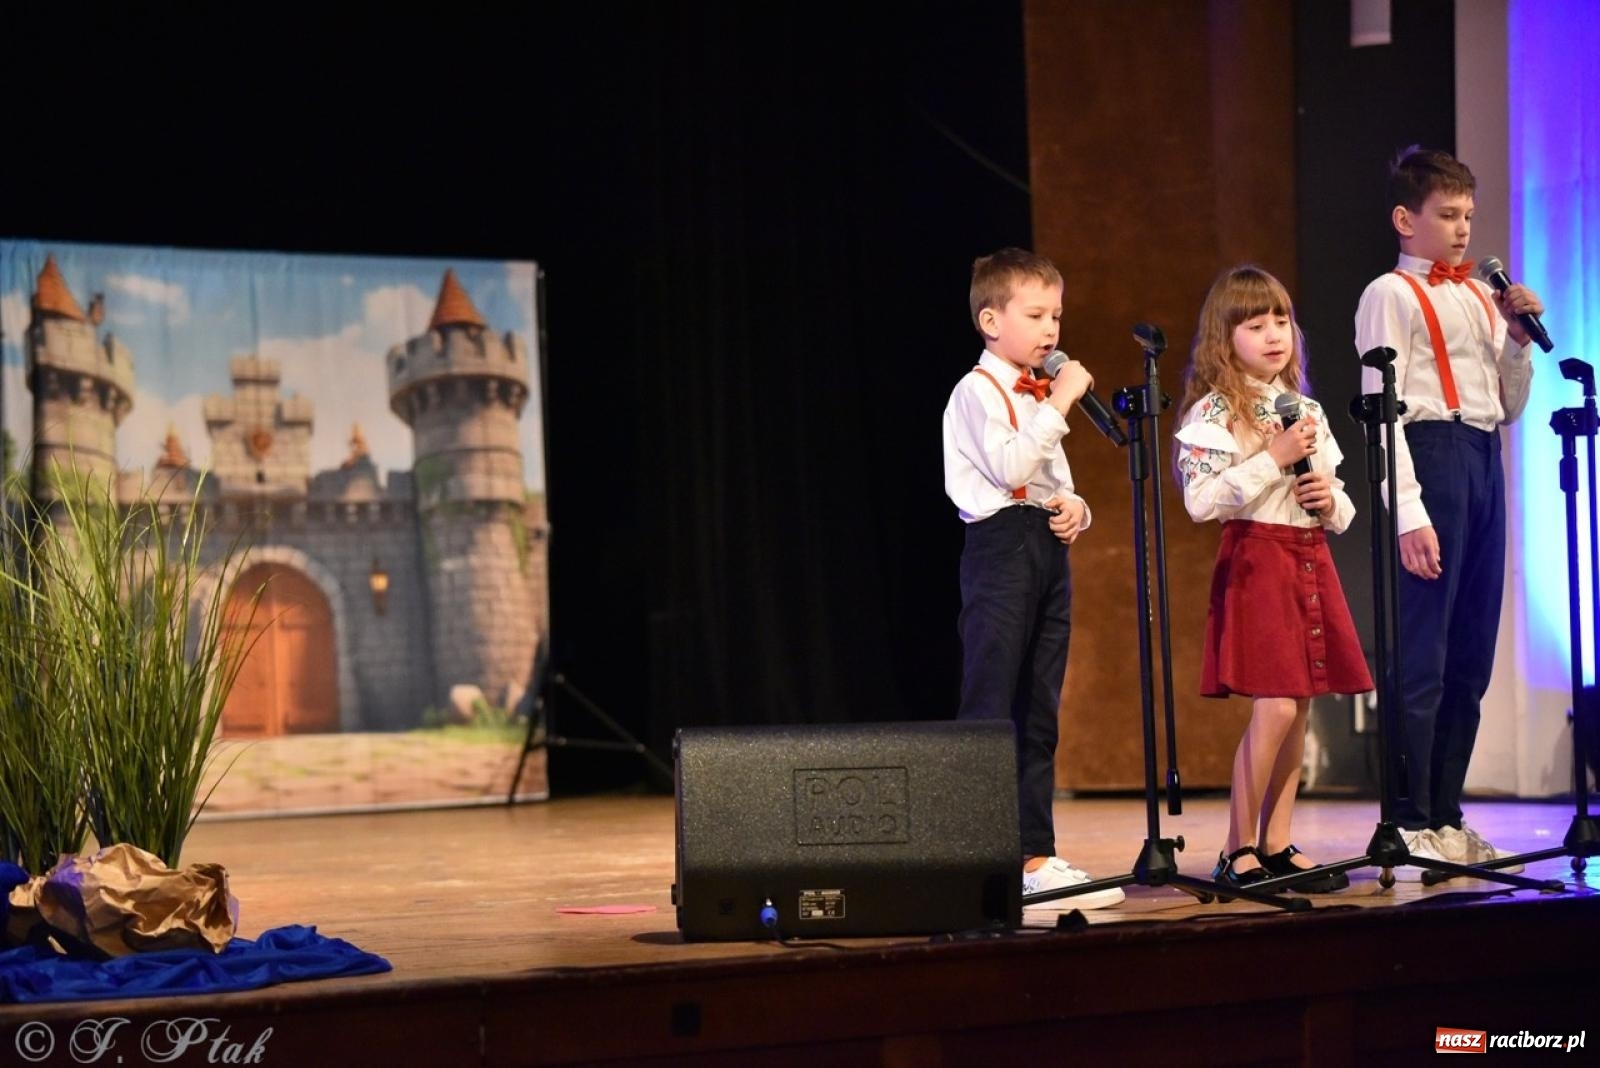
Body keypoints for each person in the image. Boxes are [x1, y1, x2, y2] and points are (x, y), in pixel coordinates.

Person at [1354, 146, 1541, 876]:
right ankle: (1408, 818)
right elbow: (1380, 414)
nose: (1463, 230)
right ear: (1407, 218)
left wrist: (1517, 343)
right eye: (1448, 215)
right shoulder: (1388, 294)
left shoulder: (1476, 298)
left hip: (1481, 459)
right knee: (1422, 655)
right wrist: (1407, 511)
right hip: (1427, 460)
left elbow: (1509, 408)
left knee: (1469, 656)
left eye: (1469, 216)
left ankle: (1447, 813)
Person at [1174, 264, 1372, 893]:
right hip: (1257, 559)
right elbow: (1201, 502)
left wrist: (1325, 498)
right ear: (1224, 337)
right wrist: (1270, 460)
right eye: (1254, 324)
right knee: (1275, 705)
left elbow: (1340, 505)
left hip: (1307, 555)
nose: (1272, 334)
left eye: (1280, 320)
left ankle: (1278, 841)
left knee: (1300, 709)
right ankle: (1237, 850)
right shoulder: (1215, 409)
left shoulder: (1304, 408)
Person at [941, 247, 1123, 910]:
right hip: (999, 548)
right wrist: (1067, 397)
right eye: (1037, 314)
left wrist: (1078, 507)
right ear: (992, 320)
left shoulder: (1040, 393)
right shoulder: (976, 392)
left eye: (1057, 316)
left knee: (1039, 709)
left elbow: (1053, 480)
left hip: (1044, 545)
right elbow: (1009, 465)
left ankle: (1033, 854)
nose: (1052, 330)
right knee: (991, 702)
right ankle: (977, 854)